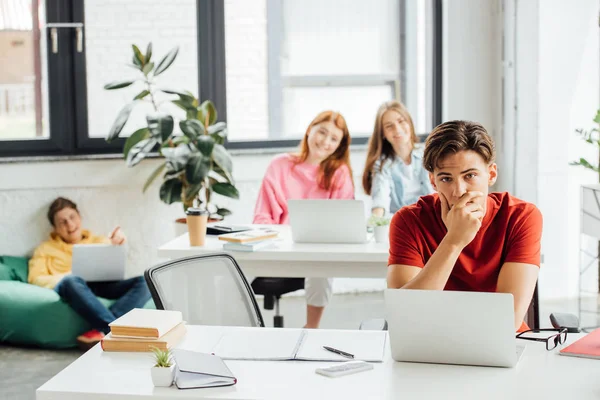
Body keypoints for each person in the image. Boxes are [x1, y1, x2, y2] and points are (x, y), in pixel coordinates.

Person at [386, 120, 542, 332]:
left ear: (491, 174)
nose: (458, 191)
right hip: (431, 342)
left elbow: (508, 320)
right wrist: (454, 241)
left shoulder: (521, 216)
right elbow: (405, 315)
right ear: (433, 181)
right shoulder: (408, 221)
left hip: (501, 343)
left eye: (470, 176)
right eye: (446, 178)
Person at [253, 110, 355, 328]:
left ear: (339, 146)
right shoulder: (279, 165)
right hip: (280, 248)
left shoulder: (340, 173)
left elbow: (342, 221)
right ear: (310, 130)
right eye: (322, 132)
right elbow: (262, 216)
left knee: (322, 266)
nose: (326, 142)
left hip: (317, 252)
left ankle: (311, 328)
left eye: (334, 139)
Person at [28, 197, 151, 346]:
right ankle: (114, 331)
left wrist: (118, 244)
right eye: (62, 222)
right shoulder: (45, 249)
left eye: (72, 217)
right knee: (71, 280)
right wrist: (66, 276)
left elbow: (113, 264)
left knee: (146, 280)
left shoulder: (99, 241)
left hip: (101, 284)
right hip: (72, 287)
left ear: (79, 216)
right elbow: (35, 278)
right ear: (55, 228)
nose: (70, 224)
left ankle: (103, 330)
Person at [362, 101, 434, 217]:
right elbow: (380, 200)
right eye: (389, 126)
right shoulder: (382, 164)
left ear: (409, 123)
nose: (397, 129)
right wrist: (376, 223)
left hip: (431, 221)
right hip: (401, 225)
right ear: (383, 134)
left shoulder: (429, 155)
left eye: (401, 121)